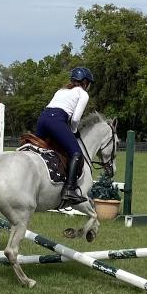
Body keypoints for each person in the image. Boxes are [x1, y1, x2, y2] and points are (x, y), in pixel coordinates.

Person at [36, 67, 94, 207]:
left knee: (39, 149)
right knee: (76, 152)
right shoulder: (83, 94)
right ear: (85, 82)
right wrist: (74, 132)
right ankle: (69, 189)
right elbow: (75, 119)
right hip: (57, 120)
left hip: (42, 119)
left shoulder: (61, 91)